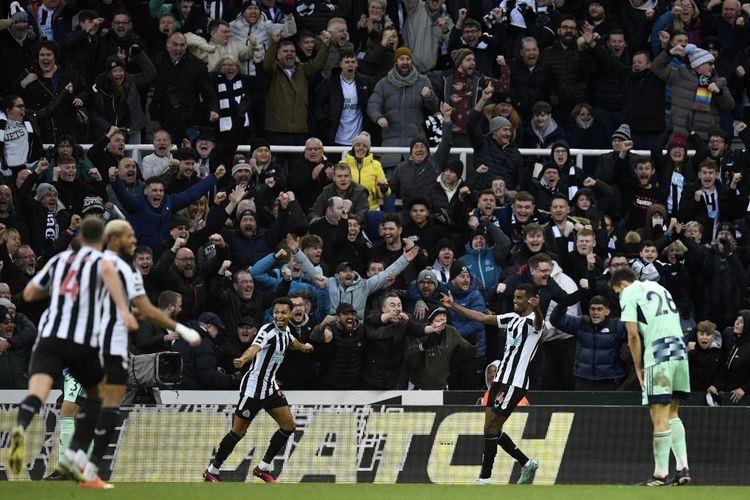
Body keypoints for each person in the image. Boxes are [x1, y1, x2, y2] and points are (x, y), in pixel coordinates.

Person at [8, 218, 137, 487]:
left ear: (78, 238)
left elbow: (29, 293)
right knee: (98, 397)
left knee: (38, 394)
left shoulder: (59, 261)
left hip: (47, 338)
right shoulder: (104, 264)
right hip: (80, 343)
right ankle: (75, 459)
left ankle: (20, 426)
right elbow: (121, 304)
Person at [202, 297, 313, 483]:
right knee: (238, 432)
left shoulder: (286, 332)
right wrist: (244, 359)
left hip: (270, 388)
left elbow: (292, 342)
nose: (279, 315)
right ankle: (212, 470)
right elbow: (255, 348)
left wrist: (304, 347)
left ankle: (263, 468)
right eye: (276, 312)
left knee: (288, 426)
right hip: (253, 389)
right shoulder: (267, 330)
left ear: (290, 314)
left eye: (283, 312)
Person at [440, 283, 542, 485]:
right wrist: (454, 306)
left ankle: (485, 477)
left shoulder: (533, 322)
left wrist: (538, 308)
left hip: (515, 382)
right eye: (514, 297)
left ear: (530, 300)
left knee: (492, 426)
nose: (515, 301)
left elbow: (540, 323)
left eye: (519, 298)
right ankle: (526, 462)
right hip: (499, 380)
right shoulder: (511, 318)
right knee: (490, 427)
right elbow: (482, 317)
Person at [611, 267, 691, 486]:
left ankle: (660, 474)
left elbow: (633, 335)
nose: (619, 296)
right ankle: (683, 469)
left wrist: (638, 367)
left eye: (617, 292)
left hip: (659, 352)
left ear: (622, 285)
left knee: (658, 414)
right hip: (680, 351)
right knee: (673, 412)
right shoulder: (659, 287)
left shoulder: (628, 292)